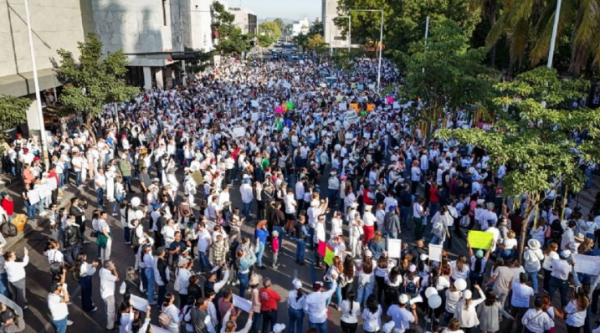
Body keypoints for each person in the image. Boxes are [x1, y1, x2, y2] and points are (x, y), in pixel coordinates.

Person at [99, 260, 119, 331]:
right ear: (108, 267)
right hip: (108, 295)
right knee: (111, 311)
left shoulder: (101, 270)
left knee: (107, 308)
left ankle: (112, 321)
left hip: (104, 293)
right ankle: (110, 326)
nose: (113, 264)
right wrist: (114, 270)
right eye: (112, 264)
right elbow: (117, 278)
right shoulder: (107, 274)